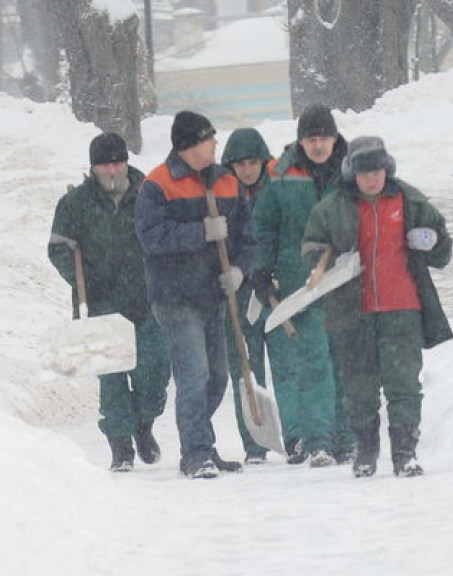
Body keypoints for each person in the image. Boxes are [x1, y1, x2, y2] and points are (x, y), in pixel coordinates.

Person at [302, 136, 453, 478]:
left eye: (377, 170)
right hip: (353, 312)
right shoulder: (332, 208)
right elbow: (311, 250)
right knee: (359, 386)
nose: (371, 178)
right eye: (364, 171)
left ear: (388, 169)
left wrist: (431, 241)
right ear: (350, 172)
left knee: (403, 384)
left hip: (403, 309)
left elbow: (443, 251)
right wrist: (330, 262)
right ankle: (366, 451)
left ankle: (405, 453)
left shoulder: (411, 201)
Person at [135, 111, 256, 479]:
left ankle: (202, 443)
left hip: (212, 296)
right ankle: (196, 452)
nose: (216, 144)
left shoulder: (227, 183)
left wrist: (238, 270)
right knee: (195, 375)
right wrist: (201, 231)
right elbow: (151, 238)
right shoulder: (158, 184)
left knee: (218, 376)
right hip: (175, 297)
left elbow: (247, 238)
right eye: (209, 139)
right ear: (189, 145)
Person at [48, 132, 171, 472]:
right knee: (112, 379)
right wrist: (83, 280)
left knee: (155, 373)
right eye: (105, 165)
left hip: (146, 301)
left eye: (118, 162)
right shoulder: (75, 204)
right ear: (93, 168)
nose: (113, 170)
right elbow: (58, 248)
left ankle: (143, 423)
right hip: (101, 304)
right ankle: (121, 445)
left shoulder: (148, 193)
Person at [252, 103, 353, 467]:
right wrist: (261, 273)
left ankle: (347, 439)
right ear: (301, 141)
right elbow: (263, 227)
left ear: (334, 138)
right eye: (312, 139)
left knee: (345, 362)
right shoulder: (281, 175)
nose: (319, 145)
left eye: (325, 137)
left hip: (344, 282)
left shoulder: (352, 170)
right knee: (314, 363)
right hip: (302, 287)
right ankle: (318, 441)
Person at [220, 127, 273, 465]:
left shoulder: (275, 192)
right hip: (238, 291)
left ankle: (296, 434)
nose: (248, 169)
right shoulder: (222, 195)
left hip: (273, 285)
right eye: (241, 163)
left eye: (253, 162)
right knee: (245, 365)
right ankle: (255, 440)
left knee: (288, 363)